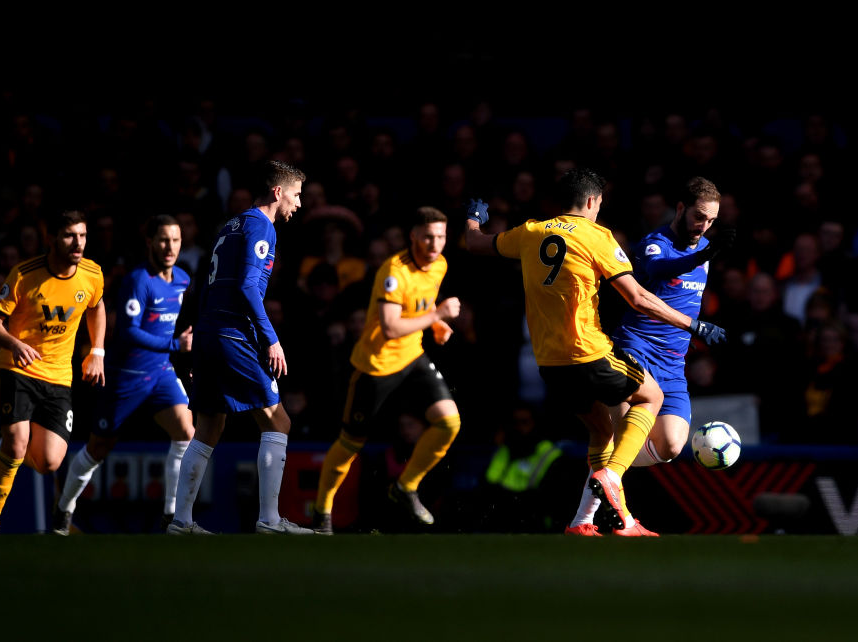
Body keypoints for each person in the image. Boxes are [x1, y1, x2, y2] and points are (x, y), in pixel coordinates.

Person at [463, 168, 727, 537]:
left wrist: (473, 219)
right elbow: (637, 294)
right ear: (591, 202)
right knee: (649, 397)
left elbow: (475, 244)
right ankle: (614, 476)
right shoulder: (599, 236)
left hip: (550, 363)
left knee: (603, 434)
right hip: (589, 351)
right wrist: (694, 325)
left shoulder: (531, 231)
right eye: (600, 203)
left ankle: (584, 522)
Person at [565, 177, 735, 535]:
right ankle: (584, 519)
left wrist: (703, 251)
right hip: (635, 350)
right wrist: (701, 255)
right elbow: (656, 273)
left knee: (671, 445)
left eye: (711, 221)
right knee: (625, 433)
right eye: (699, 217)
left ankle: (604, 468)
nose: (703, 227)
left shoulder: (702, 247)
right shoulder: (655, 245)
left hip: (673, 366)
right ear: (680, 209)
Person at [167, 160, 313, 535]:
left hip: (212, 332)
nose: (299, 204)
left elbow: (205, 287)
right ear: (278, 192)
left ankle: (181, 522)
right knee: (279, 420)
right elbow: (248, 288)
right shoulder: (262, 226)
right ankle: (270, 520)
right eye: (296, 195)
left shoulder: (229, 225)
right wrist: (271, 339)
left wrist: (202, 342)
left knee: (209, 426)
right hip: (234, 334)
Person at [312, 206, 462, 535]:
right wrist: (438, 315)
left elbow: (419, 310)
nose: (435, 243)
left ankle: (406, 488)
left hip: (413, 358)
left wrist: (435, 326)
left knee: (449, 422)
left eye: (441, 236)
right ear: (413, 237)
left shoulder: (440, 265)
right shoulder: (394, 270)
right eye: (427, 236)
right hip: (376, 366)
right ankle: (323, 512)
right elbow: (392, 327)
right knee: (350, 444)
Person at [51, 214, 194, 534]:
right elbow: (128, 332)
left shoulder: (183, 279)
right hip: (127, 376)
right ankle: (64, 510)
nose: (169, 247)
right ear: (149, 243)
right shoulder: (138, 281)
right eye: (163, 240)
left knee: (186, 432)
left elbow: (176, 327)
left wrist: (184, 351)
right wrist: (174, 344)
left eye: (175, 240)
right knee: (97, 449)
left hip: (161, 372)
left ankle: (172, 518)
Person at [0, 209, 106, 534]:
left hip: (60, 378)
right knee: (16, 443)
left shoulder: (92, 275)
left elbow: (97, 306)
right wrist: (14, 344)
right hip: (18, 369)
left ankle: (6, 450)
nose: (77, 243)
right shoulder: (24, 274)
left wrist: (97, 351)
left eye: (82, 236)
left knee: (49, 463)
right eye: (69, 236)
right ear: (51, 238)